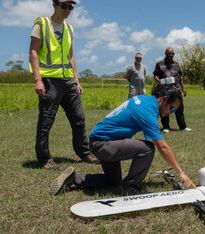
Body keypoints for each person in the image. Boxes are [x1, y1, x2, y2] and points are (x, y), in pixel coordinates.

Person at [49, 89, 196, 196]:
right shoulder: (147, 111)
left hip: (102, 142)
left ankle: (74, 178)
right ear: (163, 99)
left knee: (112, 181)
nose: (170, 112)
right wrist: (181, 173)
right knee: (148, 148)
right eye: (171, 108)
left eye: (174, 111)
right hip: (103, 144)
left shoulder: (143, 100)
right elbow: (162, 146)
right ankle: (130, 187)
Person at [29, 0, 99, 169]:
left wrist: (76, 79)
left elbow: (71, 55)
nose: (68, 10)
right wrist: (38, 79)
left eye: (71, 7)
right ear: (54, 5)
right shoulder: (42, 24)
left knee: (79, 118)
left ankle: (84, 153)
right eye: (64, 6)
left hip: (68, 81)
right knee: (46, 120)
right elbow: (33, 51)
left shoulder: (69, 28)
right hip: (49, 81)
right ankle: (44, 158)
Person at [152, 47, 191, 133]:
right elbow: (155, 75)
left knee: (180, 108)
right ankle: (166, 127)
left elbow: (180, 77)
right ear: (165, 53)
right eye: (170, 53)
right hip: (165, 90)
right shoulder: (159, 64)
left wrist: (183, 88)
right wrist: (160, 81)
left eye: (173, 53)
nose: (171, 55)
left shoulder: (176, 64)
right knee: (165, 108)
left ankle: (183, 127)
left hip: (177, 89)